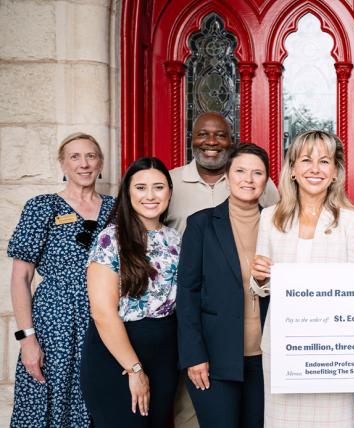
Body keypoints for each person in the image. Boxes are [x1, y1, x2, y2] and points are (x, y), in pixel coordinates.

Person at [167, 111, 278, 427]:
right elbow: (187, 294)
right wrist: (193, 356)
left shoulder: (278, 225)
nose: (248, 179)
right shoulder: (201, 225)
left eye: (257, 173)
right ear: (227, 176)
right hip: (214, 359)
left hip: (267, 358)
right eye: (240, 171)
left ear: (266, 181)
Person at [251, 130, 354, 427]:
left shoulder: (352, 221)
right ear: (292, 169)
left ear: (335, 172)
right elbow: (261, 286)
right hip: (283, 348)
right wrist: (259, 277)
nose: (315, 169)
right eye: (306, 160)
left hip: (334, 351)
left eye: (324, 161)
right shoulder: (270, 217)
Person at [7, 132, 113, 426]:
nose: (84, 164)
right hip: (54, 322)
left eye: (91, 156)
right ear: (63, 164)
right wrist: (27, 340)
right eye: (74, 157)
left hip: (103, 318)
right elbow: (20, 278)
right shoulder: (42, 207)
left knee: (98, 399)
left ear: (100, 163)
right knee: (48, 398)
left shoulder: (116, 208)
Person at [81, 157, 180, 427]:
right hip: (117, 355)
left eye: (158, 187)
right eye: (140, 187)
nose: (150, 196)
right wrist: (134, 369)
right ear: (127, 192)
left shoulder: (175, 238)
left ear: (170, 191)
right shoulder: (110, 239)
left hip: (164, 354)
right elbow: (102, 313)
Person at [166, 111, 279, 234]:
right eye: (202, 134)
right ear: (191, 139)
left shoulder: (255, 181)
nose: (211, 142)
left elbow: (279, 224)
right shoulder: (169, 181)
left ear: (231, 141)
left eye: (220, 135)